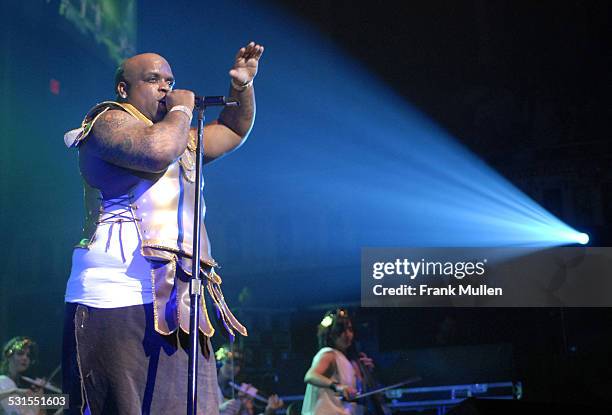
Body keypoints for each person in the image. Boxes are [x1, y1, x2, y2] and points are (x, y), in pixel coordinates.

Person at [62, 42, 264, 414]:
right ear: (124, 88)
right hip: (116, 296)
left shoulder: (179, 135)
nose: (165, 88)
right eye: (153, 79)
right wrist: (184, 108)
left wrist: (242, 88)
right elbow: (156, 150)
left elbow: (234, 131)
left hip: (182, 299)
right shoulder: (107, 122)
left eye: (169, 81)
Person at [302, 309, 375, 415]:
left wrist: (366, 373)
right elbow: (310, 376)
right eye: (340, 330)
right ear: (330, 334)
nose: (347, 334)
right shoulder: (328, 354)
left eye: (350, 329)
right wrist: (337, 386)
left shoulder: (348, 361)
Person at [215, 345, 284, 415]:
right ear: (219, 362)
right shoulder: (207, 386)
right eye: (228, 362)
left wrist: (270, 410)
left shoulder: (242, 388)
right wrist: (220, 409)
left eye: (237, 365)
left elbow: (260, 398)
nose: (232, 368)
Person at [0, 337, 44, 415]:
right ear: (9, 355)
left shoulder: (28, 388)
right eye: (20, 353)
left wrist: (40, 401)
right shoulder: (2, 381)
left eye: (28, 355)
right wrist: (14, 391)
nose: (25, 358)